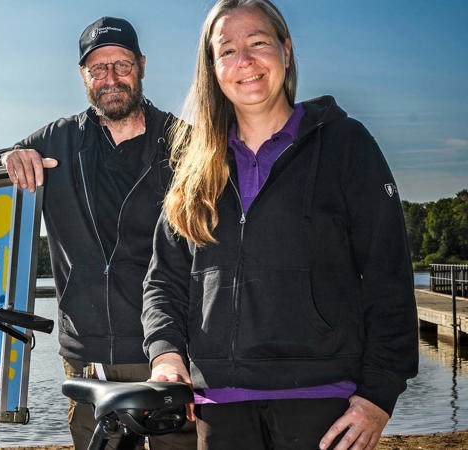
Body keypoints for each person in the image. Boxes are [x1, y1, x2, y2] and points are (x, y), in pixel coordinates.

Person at [141, 1, 419, 449]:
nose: (244, 61)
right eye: (227, 50)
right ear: (211, 68)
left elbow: (388, 275)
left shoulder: (347, 146)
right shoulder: (195, 166)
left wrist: (378, 396)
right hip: (219, 405)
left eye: (258, 43)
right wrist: (166, 355)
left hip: (325, 404)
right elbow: (164, 282)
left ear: (286, 51)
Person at [0, 16, 196, 450]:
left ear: (142, 66)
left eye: (122, 65)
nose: (110, 79)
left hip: (171, 356)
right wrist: (6, 158)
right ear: (83, 75)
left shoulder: (184, 145)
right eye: (98, 69)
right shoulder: (57, 140)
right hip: (86, 359)